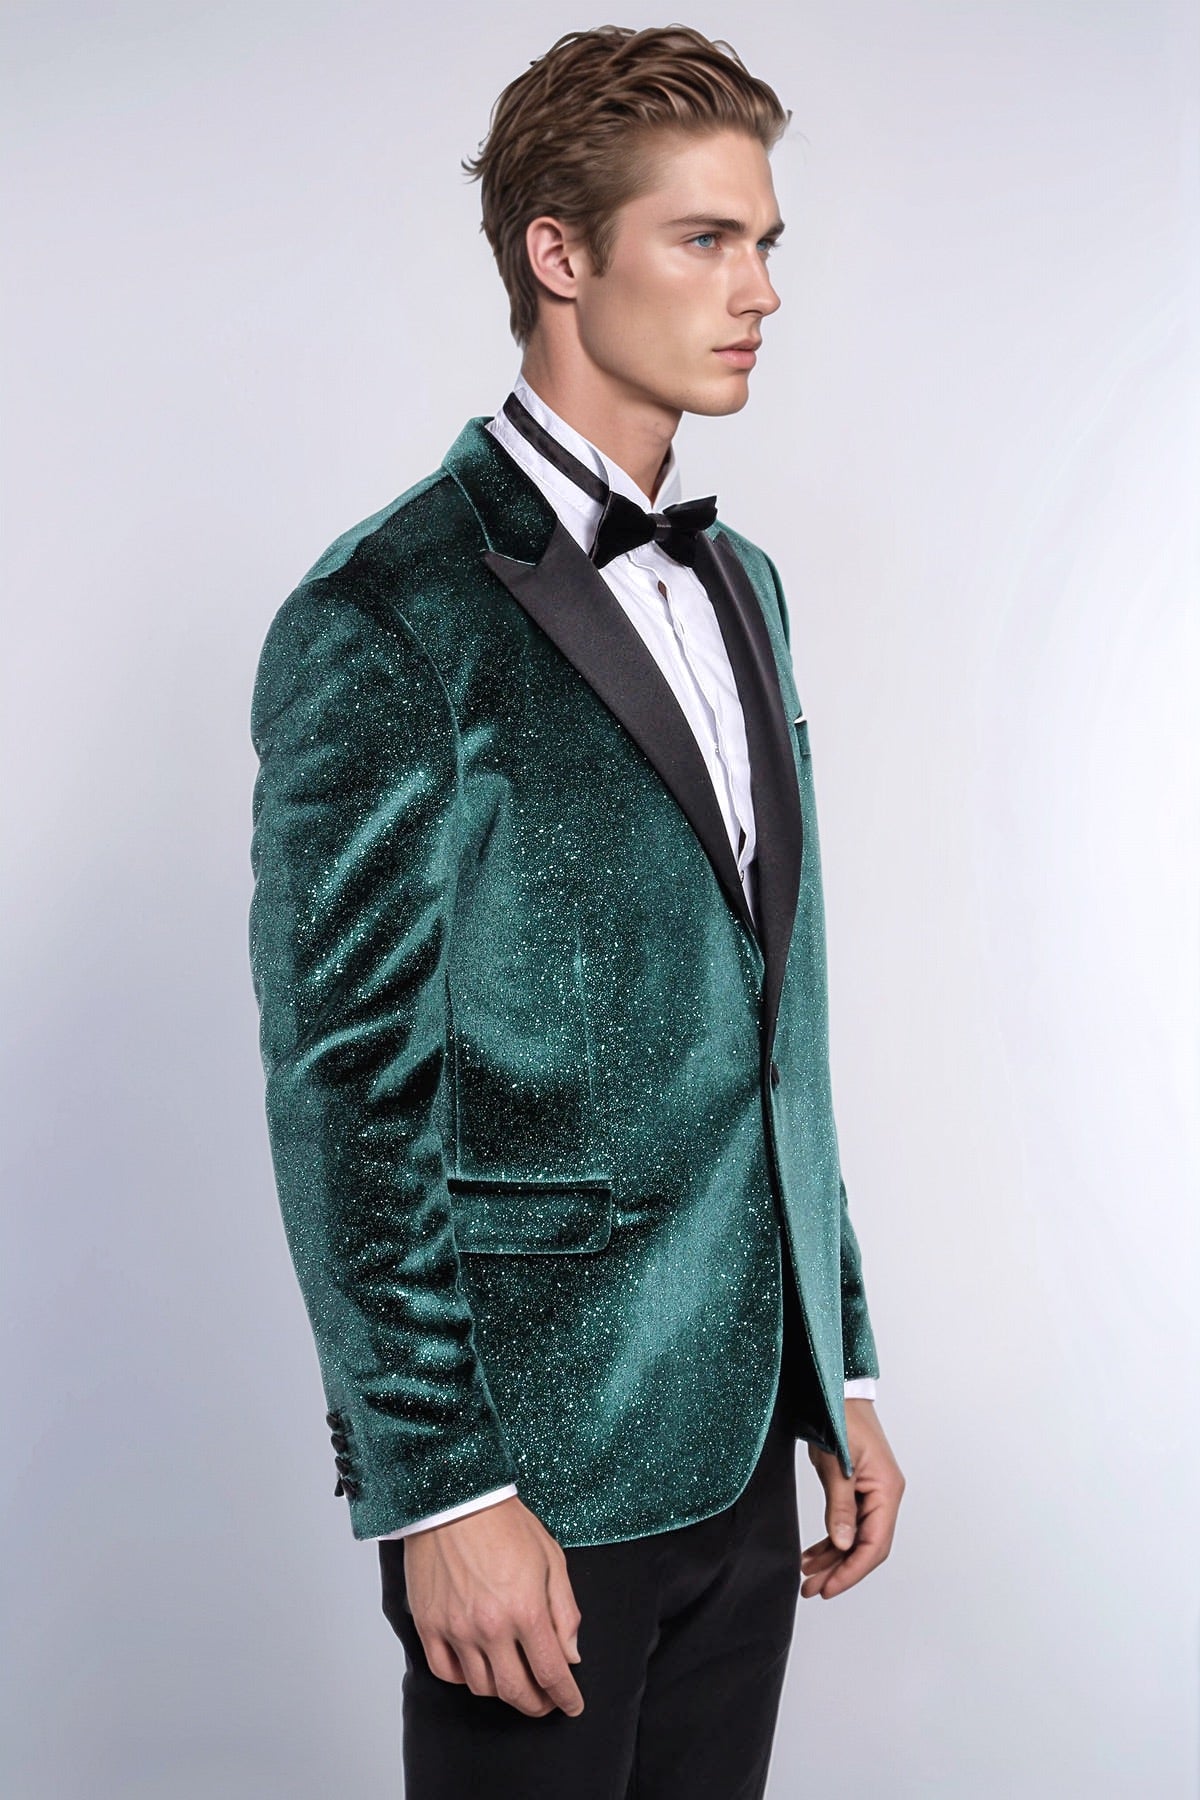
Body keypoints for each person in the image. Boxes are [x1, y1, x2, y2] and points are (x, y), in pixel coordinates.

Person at [248, 23, 905, 1800]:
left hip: (744, 1441)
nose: (761, 289)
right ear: (560, 253)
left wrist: (835, 1361)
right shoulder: (387, 614)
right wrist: (438, 1488)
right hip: (531, 1476)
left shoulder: (745, 584)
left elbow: (775, 1005)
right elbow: (346, 1089)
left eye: (767, 242)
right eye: (707, 239)